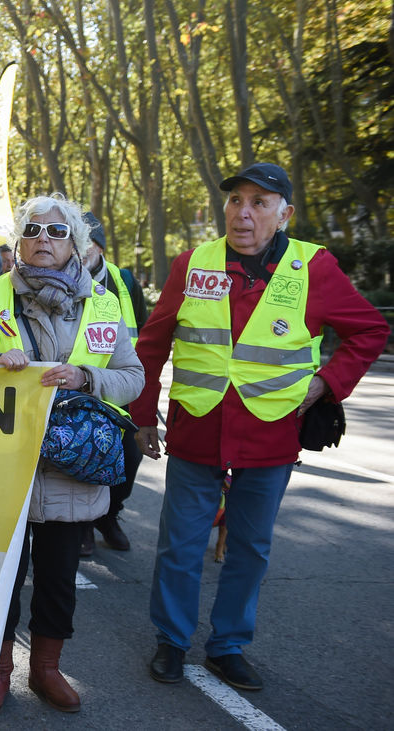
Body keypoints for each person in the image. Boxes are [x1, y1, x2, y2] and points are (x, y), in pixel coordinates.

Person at [136, 163, 388, 691]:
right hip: (198, 426)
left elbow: (368, 329)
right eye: (235, 201)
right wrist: (142, 419)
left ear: (284, 214)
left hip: (271, 432)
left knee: (250, 547)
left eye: (259, 202)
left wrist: (328, 383)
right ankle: (172, 642)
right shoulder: (193, 264)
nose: (243, 213)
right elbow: (152, 347)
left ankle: (228, 646)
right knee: (180, 546)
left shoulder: (313, 267)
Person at [0, 193, 143, 716]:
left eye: (57, 233)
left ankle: (47, 670)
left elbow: (133, 378)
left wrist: (86, 376)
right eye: (33, 230)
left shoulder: (102, 304)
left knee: (57, 582)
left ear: (75, 243)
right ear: (19, 243)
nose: (43, 240)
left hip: (71, 470)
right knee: (0, 578)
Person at [78, 212, 149, 556]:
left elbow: (144, 335)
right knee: (86, 452)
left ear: (101, 247)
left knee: (130, 457)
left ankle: (109, 515)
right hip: (77, 389)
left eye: (89, 243)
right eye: (77, 243)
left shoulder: (125, 281)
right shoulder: (60, 278)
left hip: (119, 387)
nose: (83, 250)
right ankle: (85, 525)